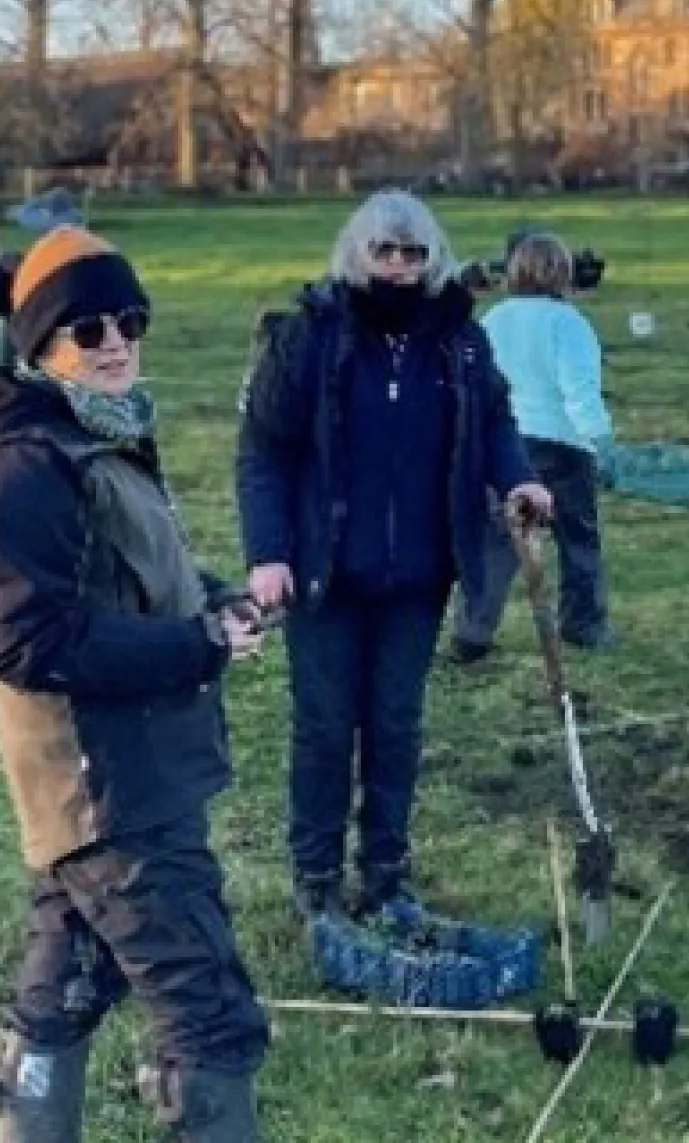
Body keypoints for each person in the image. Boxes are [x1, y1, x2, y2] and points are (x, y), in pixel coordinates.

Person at [0, 226, 269, 1142]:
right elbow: (26, 639)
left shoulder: (95, 430)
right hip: (106, 791)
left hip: (131, 775)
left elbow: (137, 575)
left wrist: (216, 604)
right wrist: (193, 646)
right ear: (40, 342)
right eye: (87, 328)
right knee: (211, 1017)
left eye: (129, 319)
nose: (116, 341)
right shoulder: (23, 463)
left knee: (69, 983)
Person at [235, 190, 552, 925]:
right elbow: (264, 451)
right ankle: (316, 876)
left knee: (396, 725)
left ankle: (386, 872)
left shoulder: (459, 342)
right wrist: (269, 552)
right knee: (323, 725)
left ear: (433, 259)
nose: (401, 266)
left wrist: (520, 478)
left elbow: (494, 421)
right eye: (385, 251)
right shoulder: (310, 336)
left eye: (414, 253)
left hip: (418, 575)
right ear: (357, 253)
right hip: (325, 575)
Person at [451, 231, 616, 662]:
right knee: (577, 538)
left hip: (506, 446)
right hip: (564, 447)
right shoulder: (570, 324)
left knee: (495, 542)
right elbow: (579, 389)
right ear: (564, 274)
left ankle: (473, 631)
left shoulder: (494, 320)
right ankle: (583, 624)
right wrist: (600, 441)